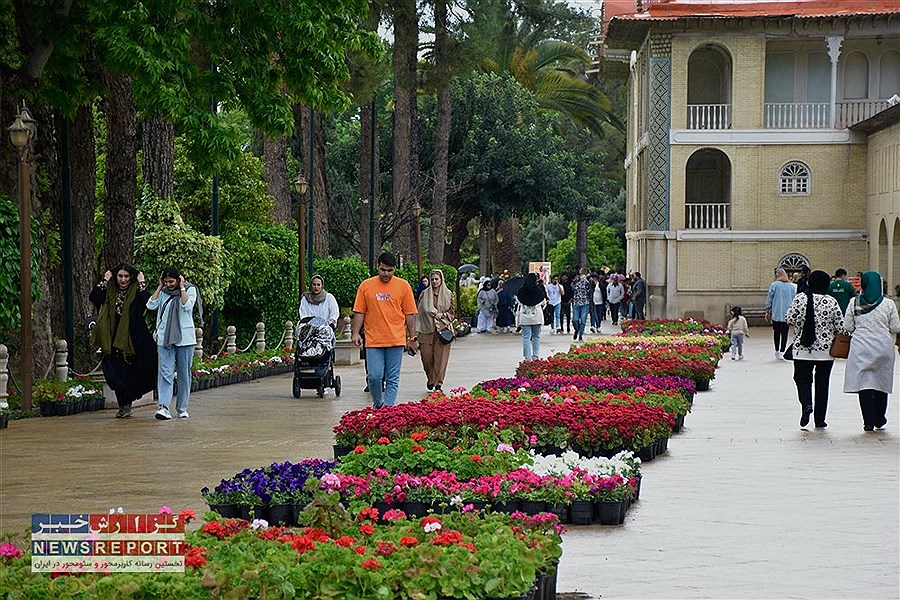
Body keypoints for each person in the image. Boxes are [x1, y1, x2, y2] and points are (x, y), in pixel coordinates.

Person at [351, 252, 419, 408]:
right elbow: (359, 311)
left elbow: (409, 314)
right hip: (373, 340)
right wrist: (355, 333)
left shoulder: (403, 286)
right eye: (383, 270)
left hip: (396, 340)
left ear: (395, 269)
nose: (386, 274)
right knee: (374, 377)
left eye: (390, 270)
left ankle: (388, 409)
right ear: (378, 267)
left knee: (392, 378)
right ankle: (378, 404)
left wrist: (412, 338)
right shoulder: (366, 286)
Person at [89, 264, 157, 418]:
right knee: (114, 373)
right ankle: (123, 404)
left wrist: (141, 283)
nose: (123, 280)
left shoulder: (135, 291)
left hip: (133, 339)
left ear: (131, 277)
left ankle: (126, 405)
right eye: (120, 276)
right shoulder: (110, 290)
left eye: (126, 276)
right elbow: (94, 297)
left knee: (130, 372)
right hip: (112, 337)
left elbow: (148, 303)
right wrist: (105, 280)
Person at [784, 270, 845, 429]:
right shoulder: (831, 302)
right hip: (825, 352)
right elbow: (841, 327)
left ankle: (806, 404)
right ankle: (820, 419)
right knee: (822, 385)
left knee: (802, 379)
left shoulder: (800, 298)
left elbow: (789, 318)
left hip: (802, 350)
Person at [843, 271, 900, 431]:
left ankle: (868, 421)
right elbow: (896, 327)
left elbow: (848, 326)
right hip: (883, 347)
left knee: (864, 384)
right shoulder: (888, 304)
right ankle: (880, 418)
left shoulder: (854, 302)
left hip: (861, 347)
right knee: (881, 382)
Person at [147, 267, 201, 420]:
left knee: (184, 374)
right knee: (165, 373)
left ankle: (182, 408)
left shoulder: (190, 290)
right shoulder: (163, 292)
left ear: (179, 279)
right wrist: (159, 287)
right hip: (165, 338)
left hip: (185, 339)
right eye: (166, 282)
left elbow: (187, 306)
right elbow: (151, 305)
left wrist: (182, 287)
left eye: (171, 281)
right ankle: (163, 407)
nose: (169, 285)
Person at [416, 269, 455, 391]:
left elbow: (452, 312)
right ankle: (431, 379)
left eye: (436, 279)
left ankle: (438, 383)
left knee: (441, 358)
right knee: (426, 358)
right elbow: (419, 310)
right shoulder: (424, 294)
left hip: (442, 330)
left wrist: (442, 315)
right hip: (426, 329)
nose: (434, 281)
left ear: (441, 280)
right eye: (432, 279)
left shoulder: (448, 294)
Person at [765, 268, 797, 359]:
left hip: (776, 313)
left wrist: (768, 309)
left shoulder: (774, 285)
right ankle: (783, 350)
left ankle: (777, 350)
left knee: (776, 333)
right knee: (785, 333)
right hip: (787, 314)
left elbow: (770, 298)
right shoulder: (792, 286)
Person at [517, 273, 547, 360]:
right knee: (536, 336)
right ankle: (535, 356)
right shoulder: (539, 291)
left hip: (524, 317)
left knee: (526, 337)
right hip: (537, 316)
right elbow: (543, 302)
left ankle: (527, 357)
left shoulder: (521, 291)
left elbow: (518, 301)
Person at [570, 268, 592, 342]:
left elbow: (589, 289)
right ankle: (577, 329)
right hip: (576, 302)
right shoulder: (574, 282)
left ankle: (580, 335)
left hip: (585, 302)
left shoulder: (586, 281)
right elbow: (572, 289)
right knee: (575, 319)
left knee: (583, 319)